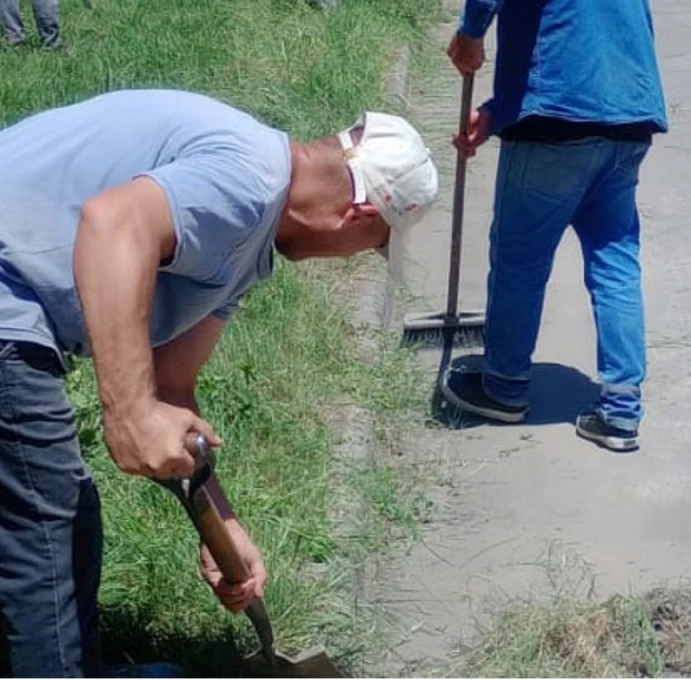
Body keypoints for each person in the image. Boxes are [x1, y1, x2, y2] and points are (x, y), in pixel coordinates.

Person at [0, 88, 437, 677]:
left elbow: (173, 382)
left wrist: (223, 524)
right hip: (10, 297)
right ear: (356, 217)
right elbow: (112, 224)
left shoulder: (250, 245)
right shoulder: (248, 182)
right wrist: (128, 411)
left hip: (18, 303)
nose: (354, 259)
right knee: (46, 512)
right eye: (372, 247)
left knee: (60, 511)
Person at [437, 0, 669, 452]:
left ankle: (503, 387)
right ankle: (622, 412)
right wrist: (500, 108)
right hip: (629, 115)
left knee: (519, 258)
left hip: (556, 117)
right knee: (614, 259)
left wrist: (470, 34)